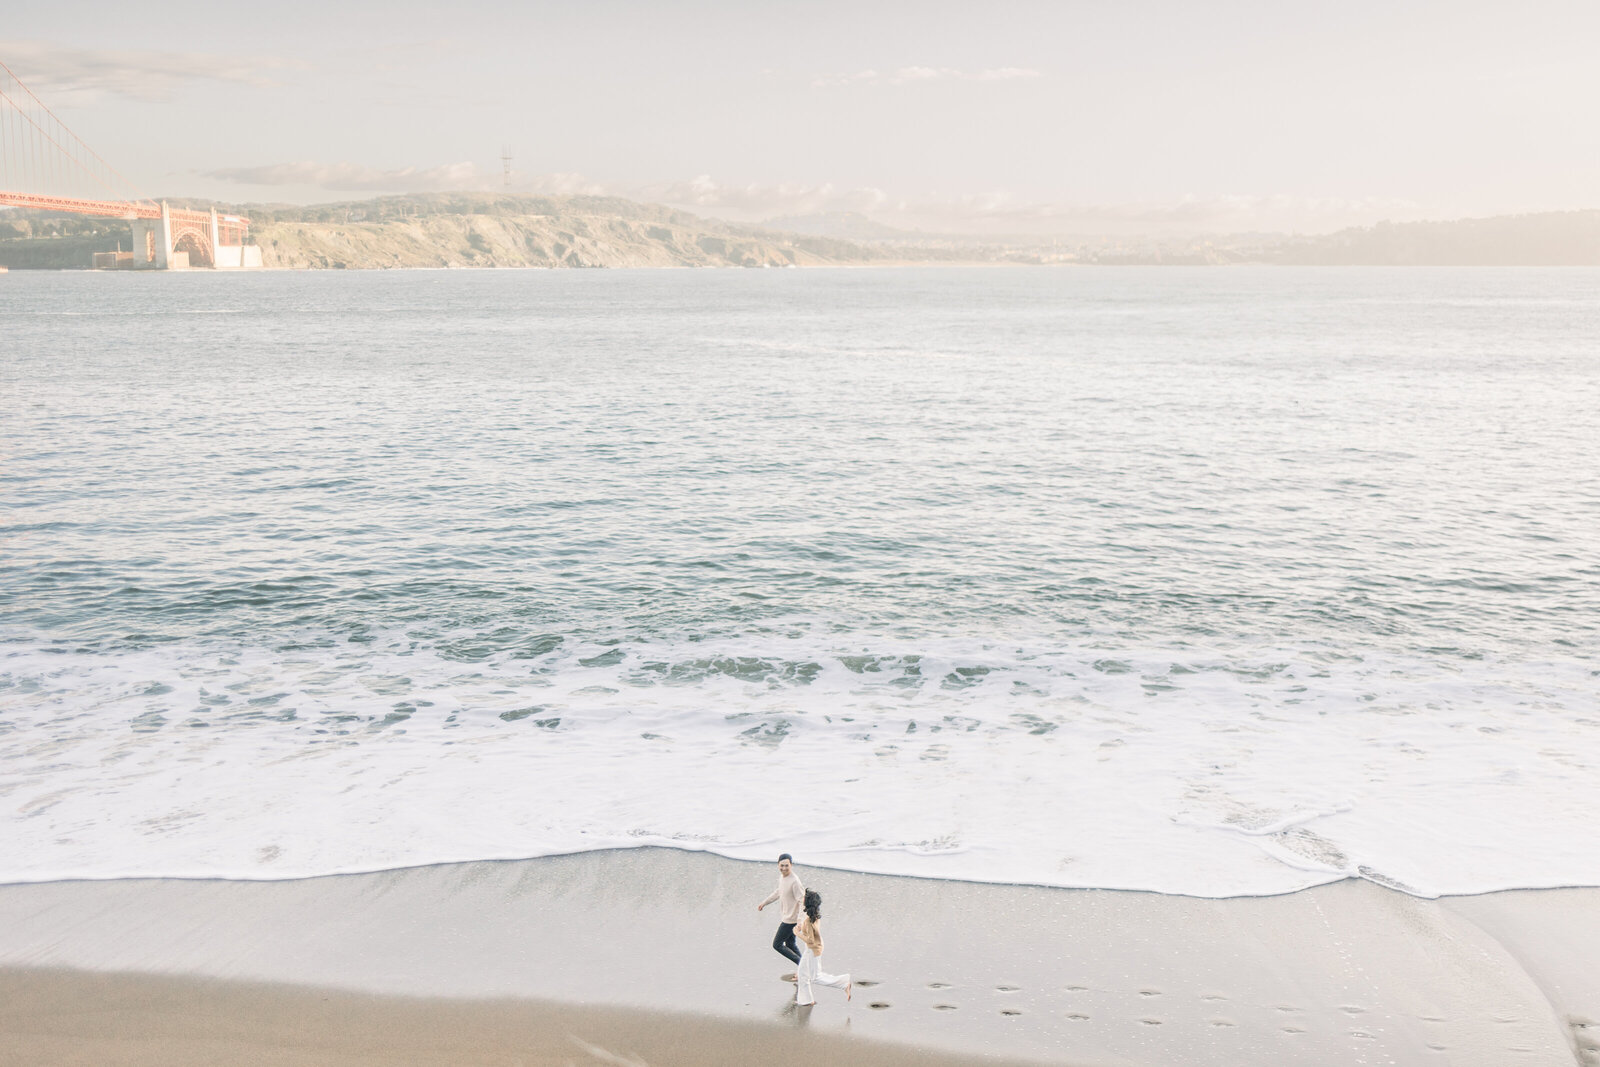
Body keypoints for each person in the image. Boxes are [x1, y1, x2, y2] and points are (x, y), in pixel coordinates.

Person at [794, 888, 851, 1005]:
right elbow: (811, 933)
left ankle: (844, 983)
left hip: (813, 949)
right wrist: (802, 928)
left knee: (816, 977)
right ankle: (806, 1000)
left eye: (805, 897)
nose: (803, 898)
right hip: (813, 948)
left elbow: (810, 940)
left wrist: (797, 933)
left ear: (807, 902)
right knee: (802, 973)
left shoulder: (809, 921)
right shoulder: (814, 916)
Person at [756, 853, 805, 974]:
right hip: (788, 917)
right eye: (781, 865)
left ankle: (804, 968)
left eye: (786, 866)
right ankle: (805, 967)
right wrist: (764, 902)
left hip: (791, 920)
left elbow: (802, 900)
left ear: (791, 865)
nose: (784, 868)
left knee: (777, 944)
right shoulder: (783, 877)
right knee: (790, 944)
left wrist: (799, 920)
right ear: (778, 865)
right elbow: (778, 892)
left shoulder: (795, 882)